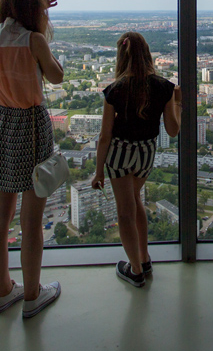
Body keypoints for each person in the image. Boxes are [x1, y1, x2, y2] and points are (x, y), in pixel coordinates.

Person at [0, 0, 63, 318]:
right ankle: (32, 295)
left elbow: (11, 17)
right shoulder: (34, 40)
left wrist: (34, 3)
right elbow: (56, 76)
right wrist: (41, 19)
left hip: (1, 125)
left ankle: (3, 291)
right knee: (31, 222)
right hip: (31, 126)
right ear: (34, 8)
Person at [92, 31, 182, 288]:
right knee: (135, 200)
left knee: (125, 212)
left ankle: (135, 270)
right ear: (147, 53)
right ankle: (144, 258)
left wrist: (99, 172)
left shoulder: (114, 90)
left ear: (121, 56)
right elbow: (174, 130)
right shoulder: (164, 87)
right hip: (146, 153)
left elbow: (104, 137)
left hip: (120, 154)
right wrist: (179, 103)